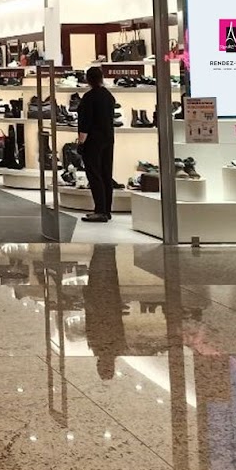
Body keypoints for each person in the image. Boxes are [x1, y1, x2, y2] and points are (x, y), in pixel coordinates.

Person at [77, 65, 117, 222]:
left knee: (94, 174)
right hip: (108, 138)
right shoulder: (109, 96)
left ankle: (100, 210)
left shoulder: (88, 98)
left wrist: (81, 142)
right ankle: (106, 210)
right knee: (106, 173)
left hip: (93, 140)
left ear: (88, 79)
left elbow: (85, 123)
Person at [83, 245, 128, 380]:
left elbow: (91, 322)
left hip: (106, 302)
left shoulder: (116, 347)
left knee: (105, 273)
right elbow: (90, 322)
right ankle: (104, 249)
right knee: (103, 273)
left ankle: (104, 249)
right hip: (102, 302)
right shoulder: (98, 346)